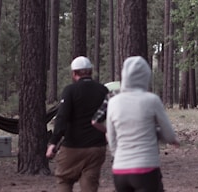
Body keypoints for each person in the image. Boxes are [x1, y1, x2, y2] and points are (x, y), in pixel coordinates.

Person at [106, 56, 180, 192]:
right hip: (146, 168)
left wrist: (119, 157)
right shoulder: (152, 100)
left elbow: (111, 138)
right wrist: (166, 137)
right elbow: (169, 135)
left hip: (120, 170)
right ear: (146, 76)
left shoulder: (113, 102)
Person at [46, 56, 110, 192]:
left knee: (64, 179)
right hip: (96, 146)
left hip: (72, 146)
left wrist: (53, 142)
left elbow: (62, 117)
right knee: (90, 184)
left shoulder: (70, 91)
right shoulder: (102, 90)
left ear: (74, 73)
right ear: (90, 71)